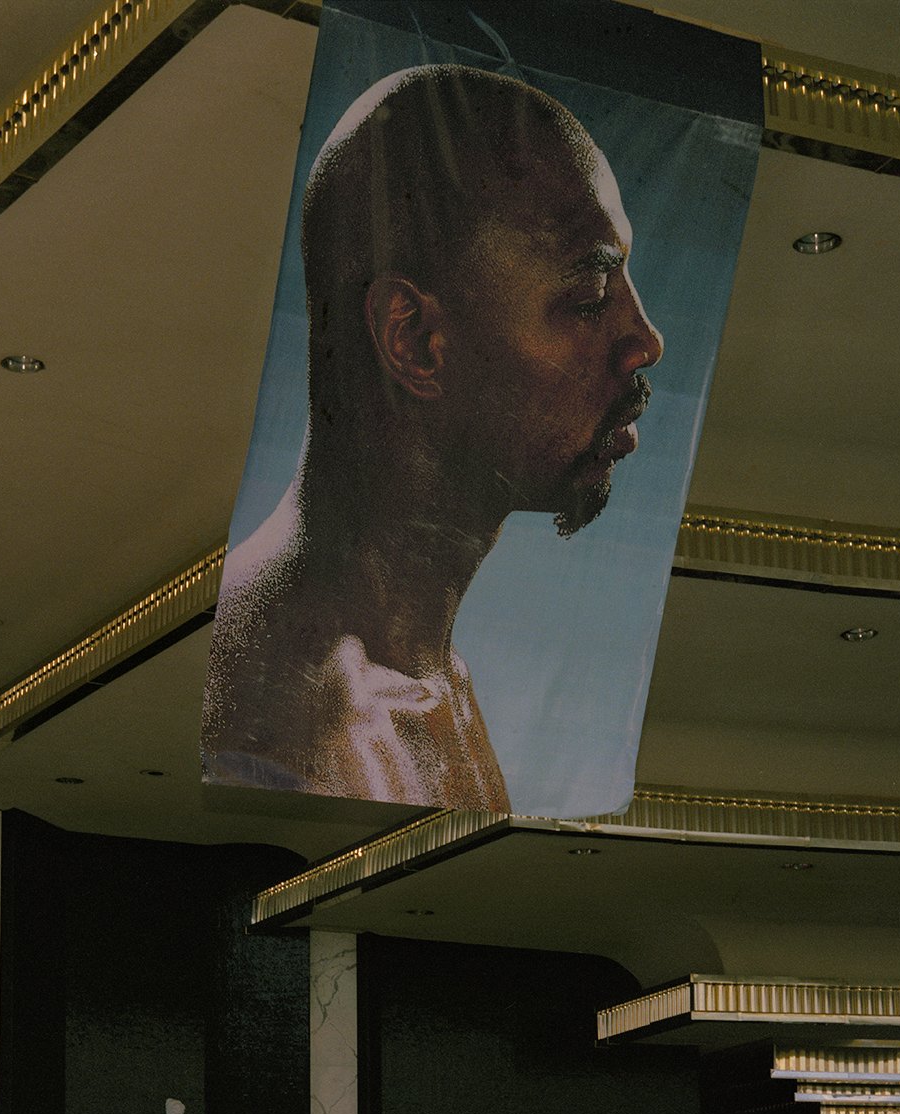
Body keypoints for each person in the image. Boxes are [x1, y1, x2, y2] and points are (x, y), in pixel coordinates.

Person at [203, 60, 662, 810]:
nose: (645, 340)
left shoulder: (424, 674)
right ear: (413, 340)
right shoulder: (304, 722)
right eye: (588, 297)